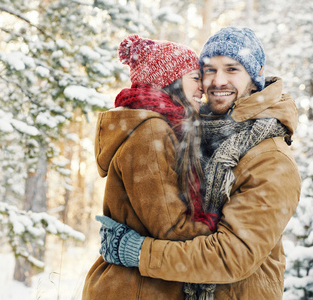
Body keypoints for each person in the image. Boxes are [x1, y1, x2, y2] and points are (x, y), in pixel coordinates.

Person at [97, 26, 301, 299]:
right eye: (208, 70)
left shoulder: (271, 159)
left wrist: (138, 251)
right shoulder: (187, 132)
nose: (217, 81)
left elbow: (232, 256)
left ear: (255, 77)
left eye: (231, 69)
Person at [82, 35, 222, 299]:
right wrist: (224, 225)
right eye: (195, 77)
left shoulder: (160, 127)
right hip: (136, 288)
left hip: (139, 284)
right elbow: (172, 228)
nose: (203, 87)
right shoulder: (151, 132)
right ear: (170, 81)